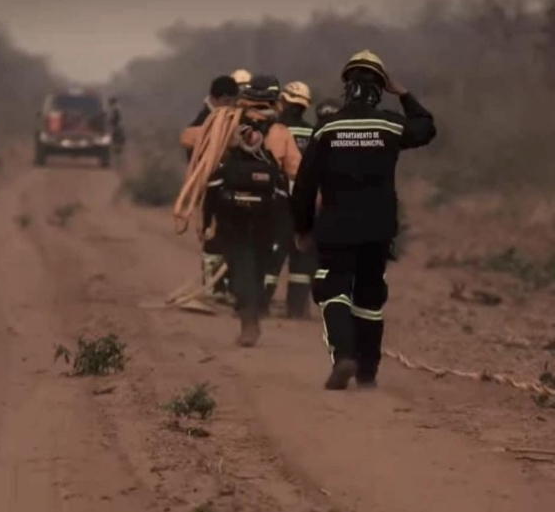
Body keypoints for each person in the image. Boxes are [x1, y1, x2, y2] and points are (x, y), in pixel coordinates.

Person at [291, 50, 437, 390]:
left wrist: (302, 227)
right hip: (378, 228)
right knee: (370, 297)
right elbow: (427, 128)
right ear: (379, 90)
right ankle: (368, 373)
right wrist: (404, 94)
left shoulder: (327, 128)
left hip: (336, 228)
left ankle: (344, 357)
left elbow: (304, 184)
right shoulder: (390, 124)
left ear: (347, 89)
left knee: (333, 289)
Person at [179, 74, 301, 347]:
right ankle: (254, 310)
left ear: (245, 97)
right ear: (275, 98)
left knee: (237, 260)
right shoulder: (280, 133)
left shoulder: (227, 123)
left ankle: (248, 319)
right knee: (259, 262)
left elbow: (186, 139)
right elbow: (298, 171)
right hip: (269, 211)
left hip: (230, 208)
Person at [180, 75, 241, 300]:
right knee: (211, 237)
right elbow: (190, 144)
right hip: (209, 186)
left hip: (228, 185)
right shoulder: (203, 120)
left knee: (230, 236)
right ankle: (213, 290)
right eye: (229, 100)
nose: (232, 105)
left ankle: (228, 287)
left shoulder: (230, 118)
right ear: (219, 98)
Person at [263, 81, 316, 319]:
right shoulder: (314, 132)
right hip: (311, 203)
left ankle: (261, 304)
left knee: (274, 252)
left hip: (283, 201)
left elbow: (272, 165)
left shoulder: (278, 131)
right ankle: (296, 308)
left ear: (283, 102)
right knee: (302, 255)